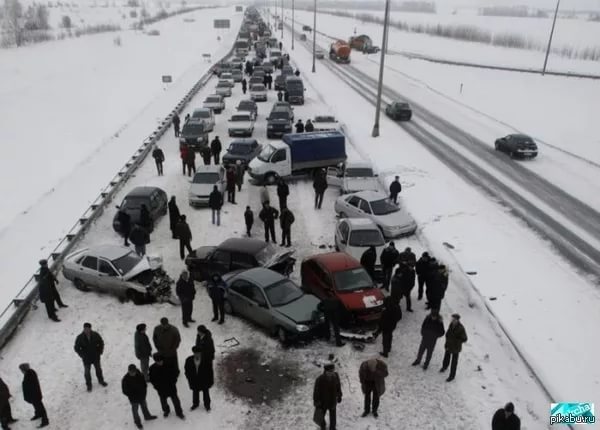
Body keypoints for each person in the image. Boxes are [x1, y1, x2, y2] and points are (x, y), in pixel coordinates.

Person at [149, 354, 184, 420]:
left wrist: (173, 381)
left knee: (176, 401)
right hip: (161, 389)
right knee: (163, 402)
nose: (160, 362)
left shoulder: (169, 365)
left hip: (171, 387)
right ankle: (166, 411)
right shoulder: (152, 368)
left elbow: (175, 373)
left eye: (161, 361)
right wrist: (156, 387)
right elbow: (152, 379)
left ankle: (179, 412)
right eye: (158, 361)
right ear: (155, 361)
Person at [122, 364, 157, 429]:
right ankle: (137, 421)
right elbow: (124, 391)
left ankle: (147, 416)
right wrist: (131, 395)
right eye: (131, 372)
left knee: (144, 407)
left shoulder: (140, 375)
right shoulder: (125, 379)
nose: (132, 373)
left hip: (142, 396)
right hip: (133, 399)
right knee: (135, 411)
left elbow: (144, 385)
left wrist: (144, 393)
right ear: (128, 371)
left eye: (133, 372)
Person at [74, 322, 107, 391]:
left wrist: (100, 351)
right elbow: (76, 347)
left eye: (87, 329)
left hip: (95, 357)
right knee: (87, 373)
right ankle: (89, 385)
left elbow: (101, 342)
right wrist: (82, 355)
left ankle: (101, 381)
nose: (86, 330)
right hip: (86, 358)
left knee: (98, 370)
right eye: (85, 329)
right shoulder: (80, 337)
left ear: (90, 329)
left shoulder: (95, 335)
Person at [184, 346, 214, 412]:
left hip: (204, 380)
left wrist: (211, 381)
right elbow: (186, 370)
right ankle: (195, 404)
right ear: (193, 353)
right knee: (195, 393)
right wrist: (188, 377)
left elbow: (210, 371)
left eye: (199, 353)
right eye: (195, 353)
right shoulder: (188, 360)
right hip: (194, 380)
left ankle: (207, 405)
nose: (197, 354)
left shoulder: (206, 360)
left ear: (201, 353)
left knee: (206, 393)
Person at [313, 363, 342, 430]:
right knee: (321, 416)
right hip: (323, 402)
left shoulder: (336, 376)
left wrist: (340, 395)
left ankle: (332, 428)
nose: (332, 373)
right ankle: (323, 426)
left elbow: (338, 387)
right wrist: (317, 402)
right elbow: (316, 392)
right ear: (325, 371)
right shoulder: (319, 379)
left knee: (333, 416)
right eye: (330, 372)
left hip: (332, 400)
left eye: (333, 371)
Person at [440, 314, 468, 382]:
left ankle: (452, 376)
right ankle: (444, 367)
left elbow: (465, 339)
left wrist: (456, 341)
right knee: (446, 357)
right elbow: (448, 334)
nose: (452, 320)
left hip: (456, 348)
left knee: (454, 363)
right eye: (452, 319)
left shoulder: (461, 328)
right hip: (449, 345)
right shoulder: (451, 325)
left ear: (457, 320)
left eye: (454, 319)